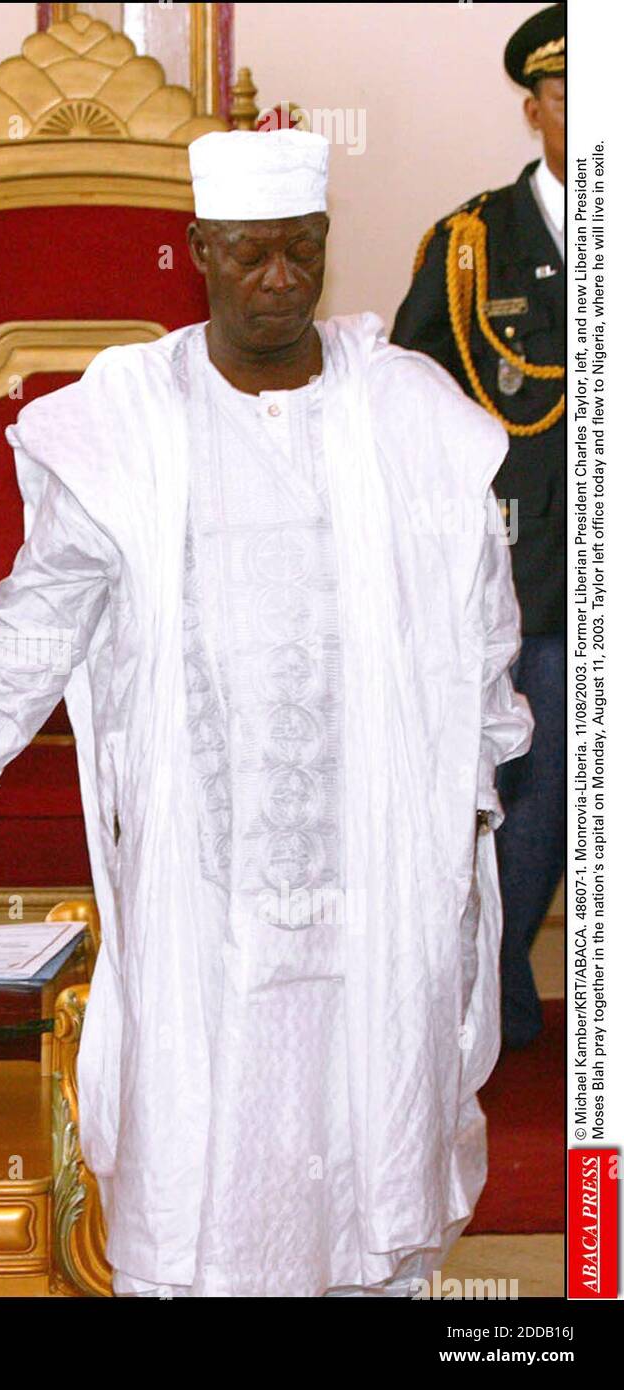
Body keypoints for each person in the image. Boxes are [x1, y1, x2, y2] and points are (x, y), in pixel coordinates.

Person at [0, 128, 534, 1296]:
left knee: (375, 1114)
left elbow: (480, 623)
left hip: (383, 853)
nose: (280, 280)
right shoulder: (131, 421)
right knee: (209, 1119)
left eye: (302, 251)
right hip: (205, 865)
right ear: (199, 250)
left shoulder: (410, 415)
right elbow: (41, 619)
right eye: (251, 255)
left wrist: (472, 790)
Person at [391, 3, 565, 1050]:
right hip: (534, 569)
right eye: (569, 95)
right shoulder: (472, 245)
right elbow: (414, 404)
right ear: (534, 107)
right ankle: (496, 991)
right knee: (531, 786)